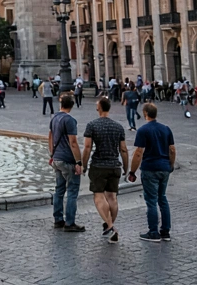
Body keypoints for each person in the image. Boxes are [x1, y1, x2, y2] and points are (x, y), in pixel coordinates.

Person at [81, 96, 128, 243]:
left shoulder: (92, 125)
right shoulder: (118, 127)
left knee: (98, 196)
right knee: (112, 197)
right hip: (115, 166)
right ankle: (110, 225)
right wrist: (126, 167)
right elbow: (124, 149)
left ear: (99, 108)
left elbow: (87, 147)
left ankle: (109, 227)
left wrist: (83, 164)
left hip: (99, 166)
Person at [127, 102, 175, 241]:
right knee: (163, 199)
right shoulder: (166, 129)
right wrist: (170, 165)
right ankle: (165, 231)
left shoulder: (143, 130)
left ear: (145, 113)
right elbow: (172, 149)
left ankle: (153, 231)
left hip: (150, 168)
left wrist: (132, 171)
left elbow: (138, 153)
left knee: (151, 201)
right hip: (164, 167)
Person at [49, 93, 83, 232]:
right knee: (72, 191)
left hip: (56, 158)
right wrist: (79, 162)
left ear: (61, 104)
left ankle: (58, 219)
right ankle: (70, 222)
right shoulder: (70, 120)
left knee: (59, 190)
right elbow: (73, 142)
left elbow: (50, 138)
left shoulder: (54, 118)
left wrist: (52, 154)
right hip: (68, 160)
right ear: (72, 105)